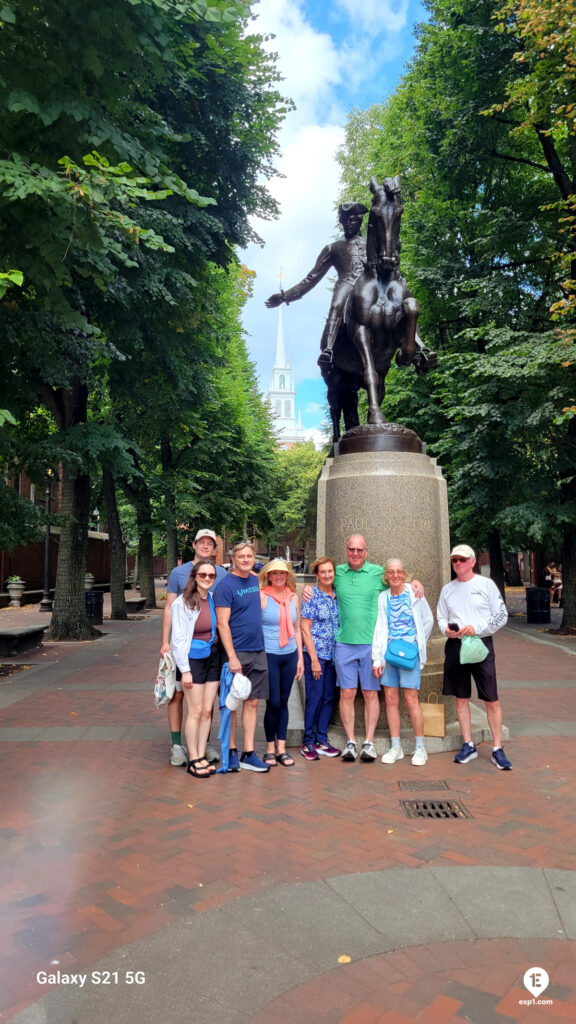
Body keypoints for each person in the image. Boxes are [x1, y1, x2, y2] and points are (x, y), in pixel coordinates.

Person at [302, 536, 424, 763]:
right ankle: (350, 741)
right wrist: (307, 587)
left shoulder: (378, 573)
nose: (355, 553)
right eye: (351, 549)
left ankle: (368, 742)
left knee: (370, 693)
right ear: (347, 550)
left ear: (366, 551)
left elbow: (397, 580)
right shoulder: (337, 573)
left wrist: (415, 582)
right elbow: (322, 580)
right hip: (344, 644)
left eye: (359, 550)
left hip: (371, 645)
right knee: (347, 693)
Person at [265, 202, 368, 367]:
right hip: (346, 286)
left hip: (369, 288)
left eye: (353, 220)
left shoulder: (372, 246)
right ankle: (328, 349)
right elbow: (311, 279)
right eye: (345, 220)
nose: (348, 223)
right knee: (336, 305)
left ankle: (418, 346)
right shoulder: (332, 248)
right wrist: (284, 296)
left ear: (360, 221)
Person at [437, 543, 511, 770]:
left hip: (480, 645)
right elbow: (440, 617)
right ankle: (468, 744)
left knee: (491, 698)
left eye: (461, 559)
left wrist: (477, 627)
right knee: (461, 698)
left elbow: (502, 616)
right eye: (454, 560)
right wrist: (446, 630)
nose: (457, 563)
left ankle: (497, 748)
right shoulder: (447, 590)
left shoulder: (485, 585)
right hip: (456, 646)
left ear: (472, 561)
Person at [160, 529, 227, 767]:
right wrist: (165, 642)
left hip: (212, 652)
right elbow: (170, 610)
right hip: (188, 652)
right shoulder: (179, 579)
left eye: (211, 543)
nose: (208, 578)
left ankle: (201, 746)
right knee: (184, 700)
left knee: (205, 709)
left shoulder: (220, 577)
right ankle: (181, 747)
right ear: (195, 544)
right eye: (202, 542)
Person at [214, 540, 270, 773]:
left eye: (249, 556)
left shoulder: (257, 581)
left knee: (253, 701)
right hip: (236, 653)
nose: (245, 560)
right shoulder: (225, 586)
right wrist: (232, 656)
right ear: (233, 559)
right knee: (233, 703)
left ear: (254, 558)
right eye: (241, 556)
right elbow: (222, 624)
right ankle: (231, 750)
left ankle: (249, 752)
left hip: (258, 650)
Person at [372, 559, 434, 766]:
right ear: (386, 575)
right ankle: (396, 746)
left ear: (404, 573)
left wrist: (417, 645)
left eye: (399, 571)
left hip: (410, 655)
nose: (396, 575)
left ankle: (420, 748)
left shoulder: (413, 593)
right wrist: (377, 658)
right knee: (390, 700)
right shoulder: (383, 597)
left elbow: (428, 620)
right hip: (390, 655)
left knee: (411, 700)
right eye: (392, 572)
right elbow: (381, 627)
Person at [171, 560, 221, 779]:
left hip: (212, 657)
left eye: (211, 576)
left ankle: (201, 754)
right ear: (195, 576)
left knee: (208, 710)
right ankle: (193, 758)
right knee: (196, 710)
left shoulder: (210, 599)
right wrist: (185, 670)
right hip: (192, 660)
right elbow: (178, 639)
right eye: (203, 575)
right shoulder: (182, 603)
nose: (207, 579)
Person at [259, 559, 304, 767]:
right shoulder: (262, 596)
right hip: (269, 654)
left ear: (287, 576)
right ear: (268, 575)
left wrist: (300, 658)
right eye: (275, 573)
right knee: (273, 702)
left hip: (289, 654)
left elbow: (296, 629)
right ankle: (269, 747)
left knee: (284, 701)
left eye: (283, 573)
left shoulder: (293, 597)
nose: (279, 576)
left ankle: (282, 749)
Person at [300, 557, 341, 760]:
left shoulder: (337, 595)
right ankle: (308, 741)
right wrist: (314, 660)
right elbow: (305, 629)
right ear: (317, 575)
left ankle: (321, 739)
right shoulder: (312, 596)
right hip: (315, 654)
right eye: (323, 572)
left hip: (333, 656)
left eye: (330, 571)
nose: (327, 575)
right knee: (314, 698)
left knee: (328, 698)